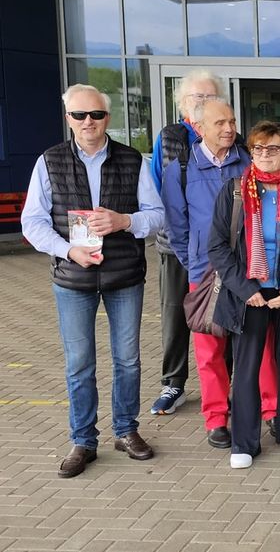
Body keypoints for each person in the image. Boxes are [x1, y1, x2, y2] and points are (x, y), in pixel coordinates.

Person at [21, 84, 164, 477]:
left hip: (125, 276)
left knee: (128, 360)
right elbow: (32, 222)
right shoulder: (48, 162)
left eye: (96, 114)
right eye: (80, 115)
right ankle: (83, 440)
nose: (89, 122)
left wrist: (124, 221)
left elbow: (157, 215)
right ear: (68, 118)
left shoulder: (133, 160)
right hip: (73, 278)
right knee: (79, 364)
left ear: (108, 117)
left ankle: (126, 430)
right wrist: (68, 250)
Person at [208, 122, 280, 469]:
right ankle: (244, 443)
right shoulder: (234, 190)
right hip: (249, 291)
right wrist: (246, 290)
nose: (264, 155)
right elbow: (217, 247)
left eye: (273, 149)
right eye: (257, 149)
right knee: (246, 368)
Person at [162, 98, 278, 449]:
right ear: (199, 128)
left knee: (262, 344)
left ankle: (271, 410)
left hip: (249, 271)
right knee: (209, 350)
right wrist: (197, 263)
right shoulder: (180, 169)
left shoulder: (248, 161)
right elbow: (177, 227)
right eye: (220, 123)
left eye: (232, 121)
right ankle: (216, 418)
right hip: (205, 273)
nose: (229, 129)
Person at [149, 69, 223, 415]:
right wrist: (183, 246)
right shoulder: (169, 138)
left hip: (217, 251)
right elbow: (157, 190)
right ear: (182, 104)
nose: (204, 102)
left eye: (211, 96)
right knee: (175, 314)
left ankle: (225, 384)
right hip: (175, 247)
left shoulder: (228, 136)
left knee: (219, 317)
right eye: (198, 96)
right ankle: (173, 383)